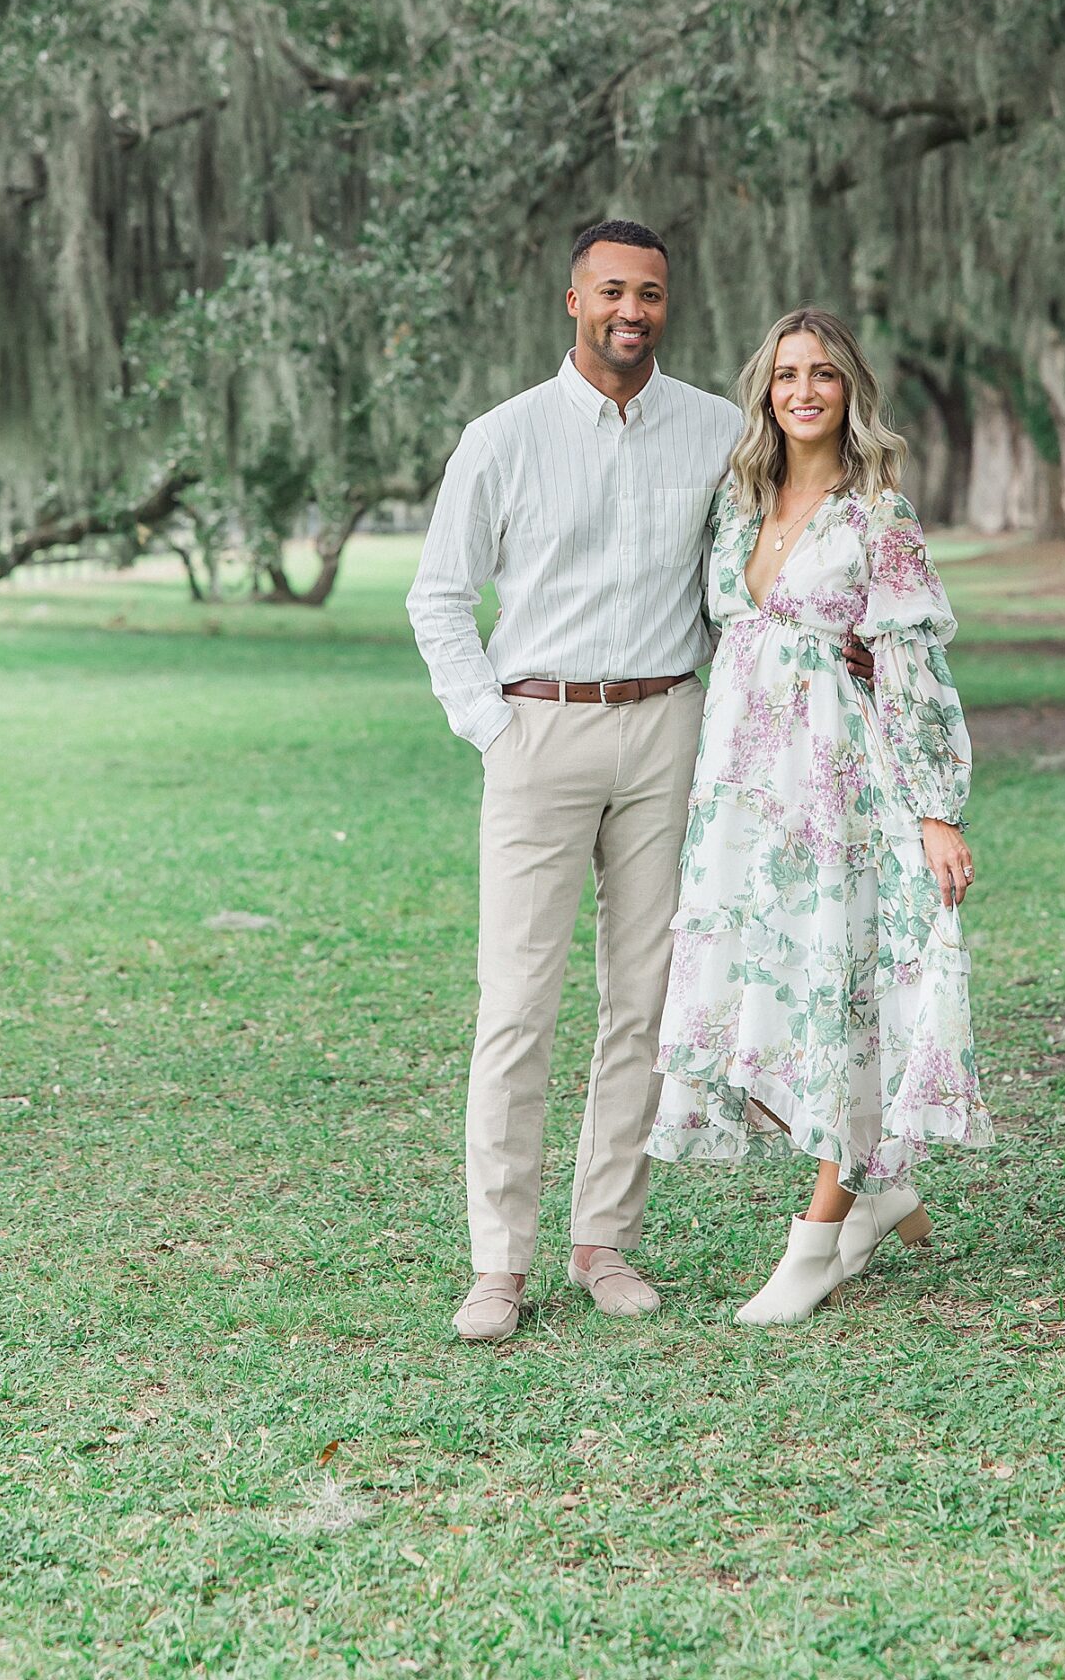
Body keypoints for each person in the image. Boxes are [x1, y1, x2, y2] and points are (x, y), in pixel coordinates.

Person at [407, 219, 744, 1345]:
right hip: (538, 732)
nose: (632, 312)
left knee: (642, 1003)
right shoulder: (502, 438)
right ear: (572, 300)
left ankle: (605, 1240)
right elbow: (439, 596)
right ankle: (497, 1264)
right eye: (612, 291)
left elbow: (760, 565)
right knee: (517, 1006)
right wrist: (491, 729)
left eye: (650, 293)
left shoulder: (717, 429)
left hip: (667, 728)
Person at [647, 307, 991, 1324]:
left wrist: (937, 809)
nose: (804, 390)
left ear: (850, 392)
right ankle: (878, 1188)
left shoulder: (877, 513)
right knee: (760, 988)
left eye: (824, 375)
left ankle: (815, 1242)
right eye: (787, 374)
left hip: (842, 785)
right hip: (744, 795)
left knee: (840, 994)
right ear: (765, 391)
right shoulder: (737, 503)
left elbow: (916, 664)